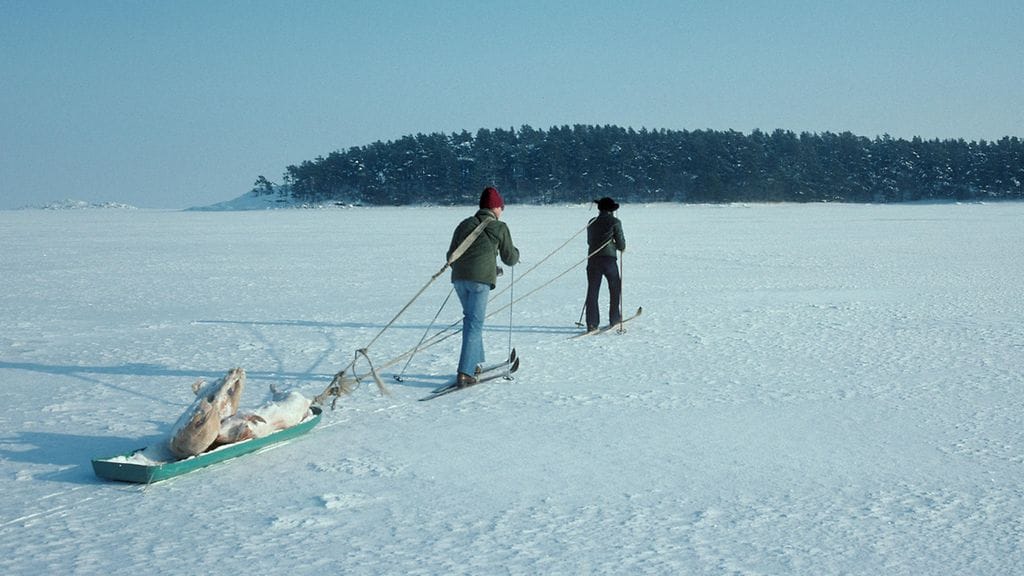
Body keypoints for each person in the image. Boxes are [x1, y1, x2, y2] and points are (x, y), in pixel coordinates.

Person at [447, 186, 520, 386]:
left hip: (459, 279)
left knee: (470, 321)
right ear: (496, 207)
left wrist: (484, 268)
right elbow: (510, 258)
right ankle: (465, 372)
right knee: (474, 323)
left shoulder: (464, 224)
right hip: (480, 282)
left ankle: (475, 363)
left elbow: (451, 255)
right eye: (501, 207)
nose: (502, 211)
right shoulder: (499, 227)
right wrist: (516, 253)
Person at [585, 196, 626, 331]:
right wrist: (618, 246)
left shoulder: (592, 221)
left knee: (592, 291)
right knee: (614, 288)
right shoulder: (615, 222)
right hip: (609, 260)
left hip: (593, 259)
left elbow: (590, 242)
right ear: (611, 210)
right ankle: (614, 318)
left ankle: (591, 323)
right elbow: (621, 244)